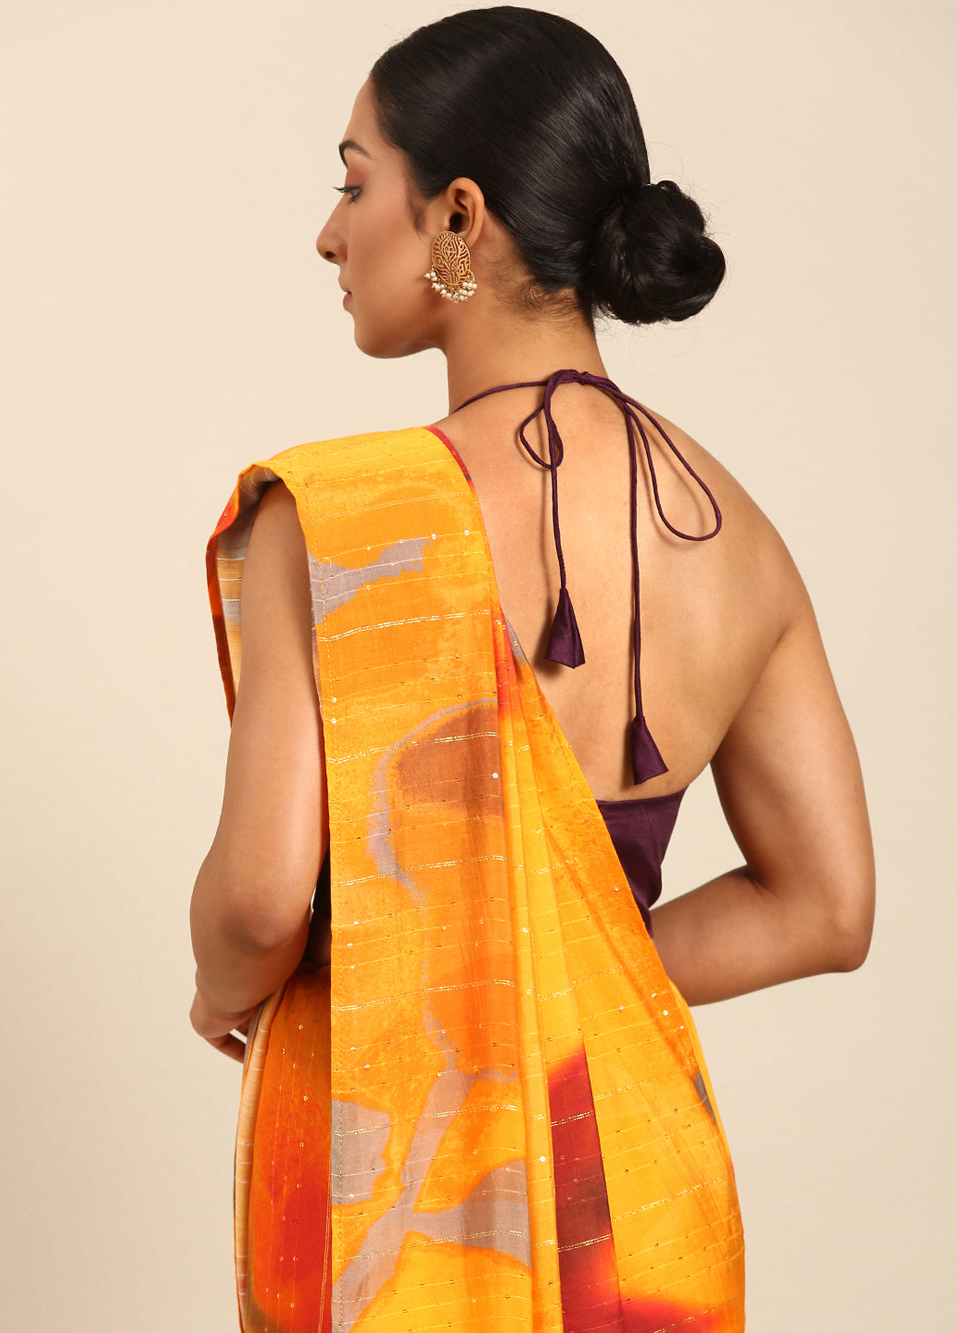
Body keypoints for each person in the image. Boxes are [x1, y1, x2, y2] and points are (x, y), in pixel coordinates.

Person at [189, 8, 874, 1330]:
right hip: (644, 1203)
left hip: (403, 1204)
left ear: (458, 216)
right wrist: (566, 968)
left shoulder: (336, 520)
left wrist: (219, 986)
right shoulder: (741, 537)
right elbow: (828, 906)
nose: (329, 233)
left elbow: (263, 902)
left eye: (353, 183)